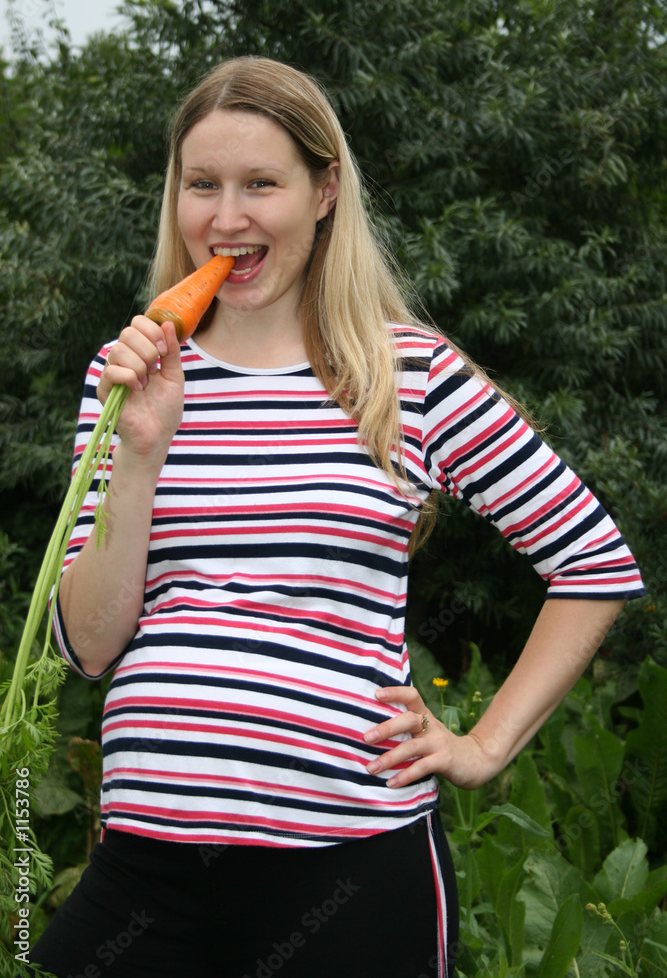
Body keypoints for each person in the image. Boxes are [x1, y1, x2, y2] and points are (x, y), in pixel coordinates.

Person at [28, 56, 644, 978]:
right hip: (145, 868)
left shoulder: (408, 377)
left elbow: (594, 565)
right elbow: (87, 646)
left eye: (260, 184)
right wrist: (144, 452)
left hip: (347, 871)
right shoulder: (126, 378)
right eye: (203, 185)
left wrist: (483, 744)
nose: (225, 219)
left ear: (324, 192)